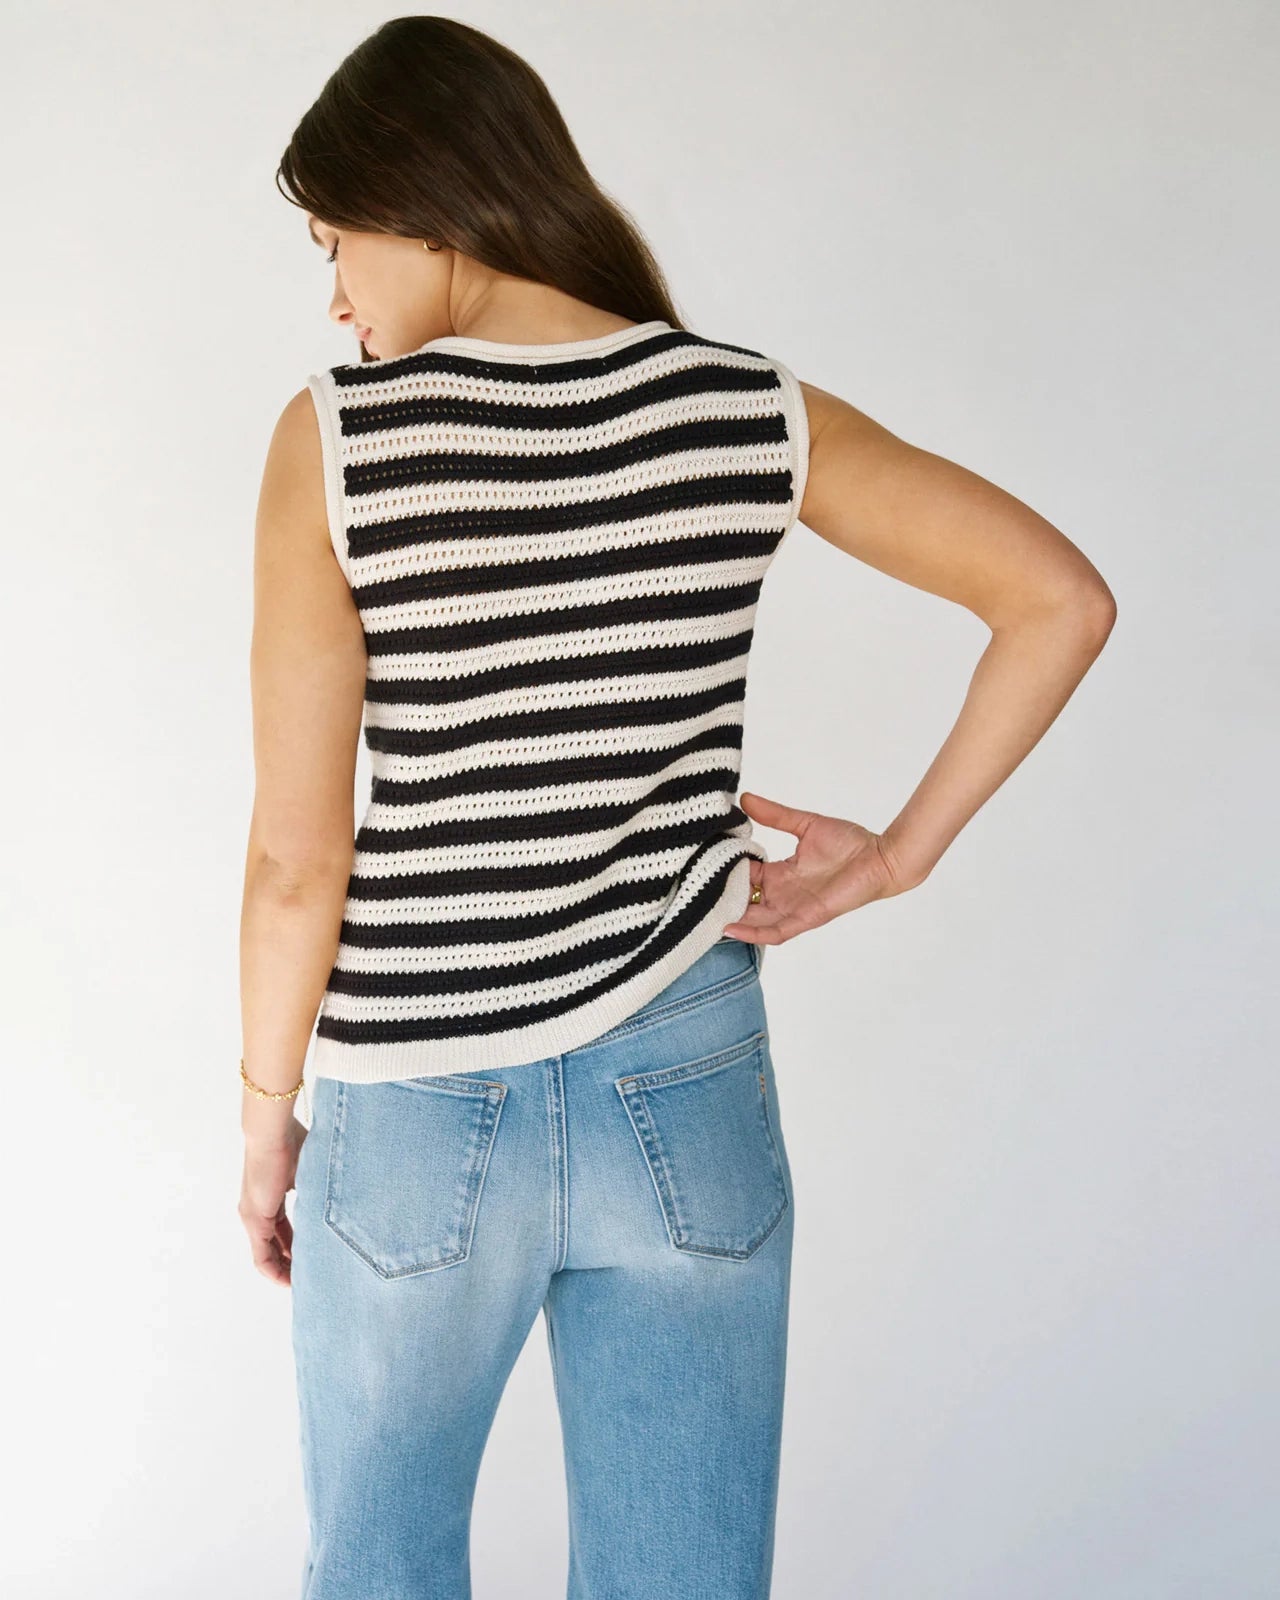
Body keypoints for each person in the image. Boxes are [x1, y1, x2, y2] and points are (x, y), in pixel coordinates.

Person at [237, 17, 1116, 1600]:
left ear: (425, 205)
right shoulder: (742, 407)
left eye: (337, 241)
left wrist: (264, 1117)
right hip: (687, 1085)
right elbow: (1056, 597)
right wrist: (897, 857)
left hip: (422, 1102)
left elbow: (300, 861)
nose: (337, 293)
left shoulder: (343, 439)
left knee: (375, 1571)